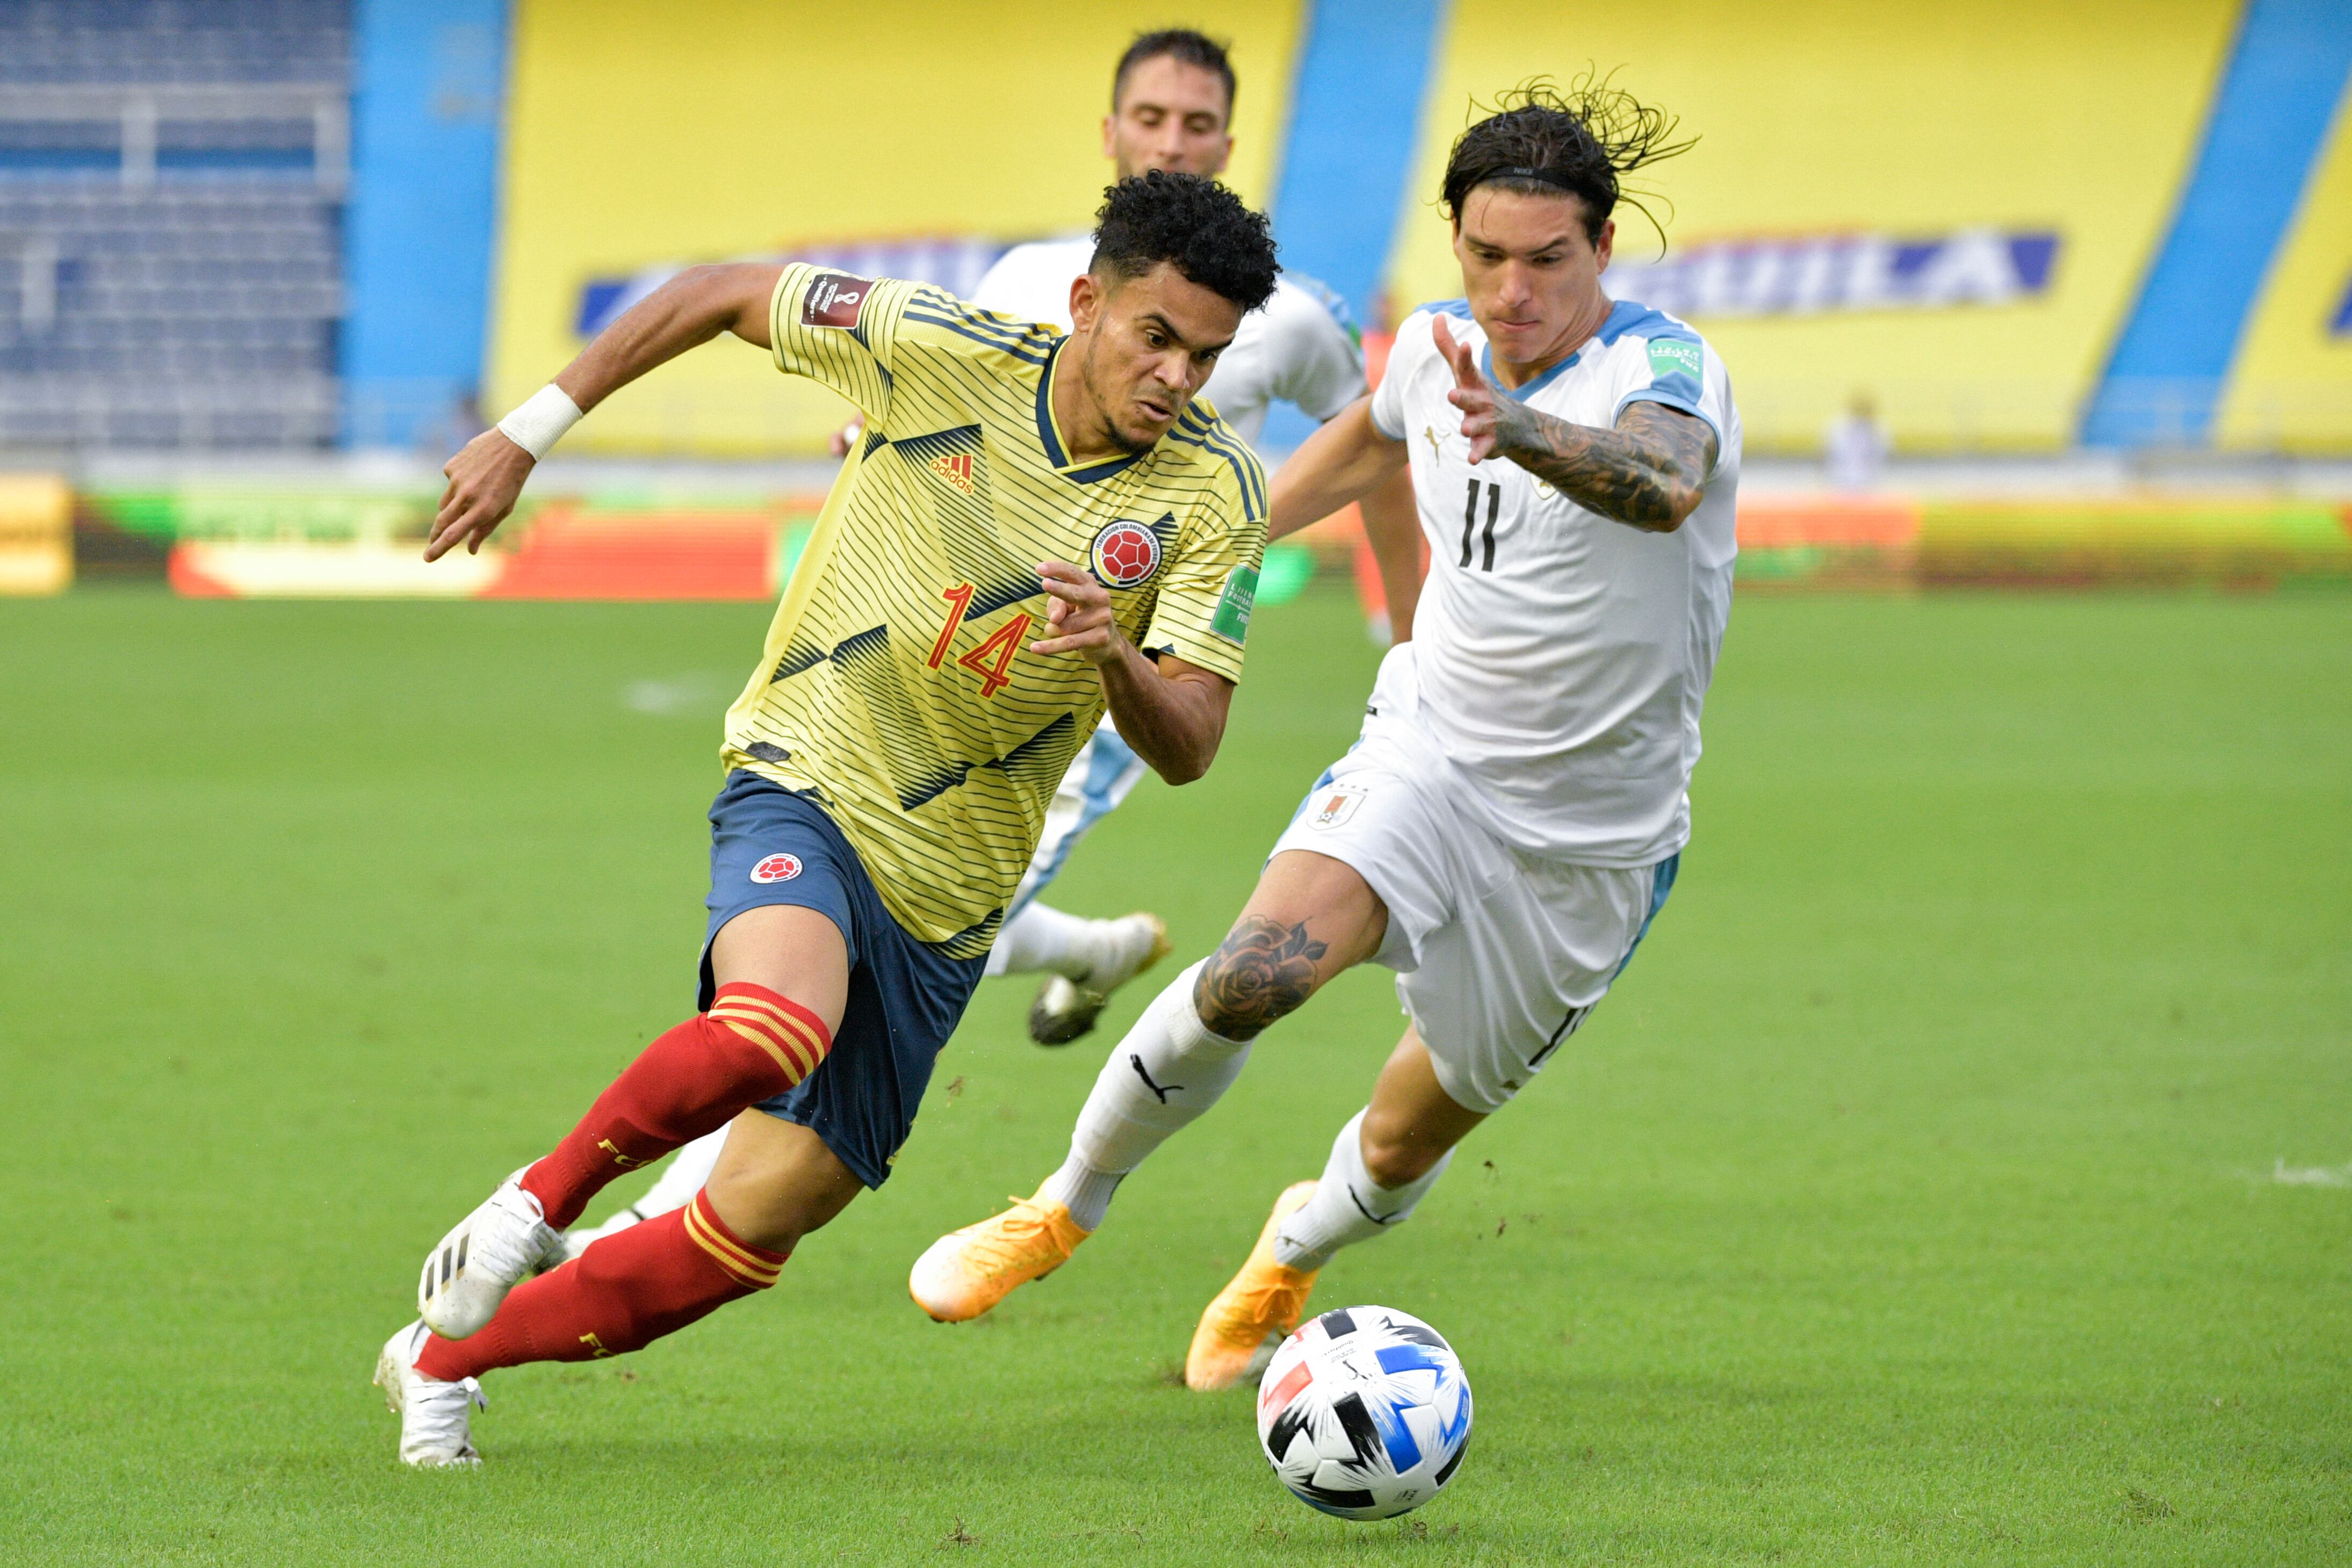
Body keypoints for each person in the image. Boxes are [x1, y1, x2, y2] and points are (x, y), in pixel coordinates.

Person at [373, 170, 1279, 1465]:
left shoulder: (1214, 498)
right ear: (1087, 302)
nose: (1178, 377)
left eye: (1206, 355)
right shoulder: (936, 349)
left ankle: (442, 1359)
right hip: (810, 771)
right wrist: (529, 431)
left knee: (750, 1233)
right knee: (770, 1024)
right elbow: (712, 292)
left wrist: (1114, 656)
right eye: (1156, 337)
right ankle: (534, 1203)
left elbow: (1189, 744)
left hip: (952, 896)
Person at [906, 81, 1740, 1393]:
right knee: (1256, 973)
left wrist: (1517, 427)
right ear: (1454, 240)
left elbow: (1663, 480)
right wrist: (1192, 546)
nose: (1511, 289)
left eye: (1546, 259)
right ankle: (1061, 1205)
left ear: (1601, 247)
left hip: (1593, 842)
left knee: (1405, 1141)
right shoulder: (1433, 347)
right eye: (1484, 255)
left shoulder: (1663, 369)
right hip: (1429, 755)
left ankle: (1290, 1251)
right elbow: (1361, 448)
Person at [556, 28, 1424, 1261]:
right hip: (927, 645)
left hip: (1086, 670)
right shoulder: (1026, 276)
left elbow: (1375, 446)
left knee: (909, 922)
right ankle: (1080, 948)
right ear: (1111, 129)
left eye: (1195, 123)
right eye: (1151, 117)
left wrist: (1397, 626)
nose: (1171, 138)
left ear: (1228, 141)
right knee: (852, 937)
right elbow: (921, 395)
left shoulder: (1292, 320)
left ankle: (639, 1222)